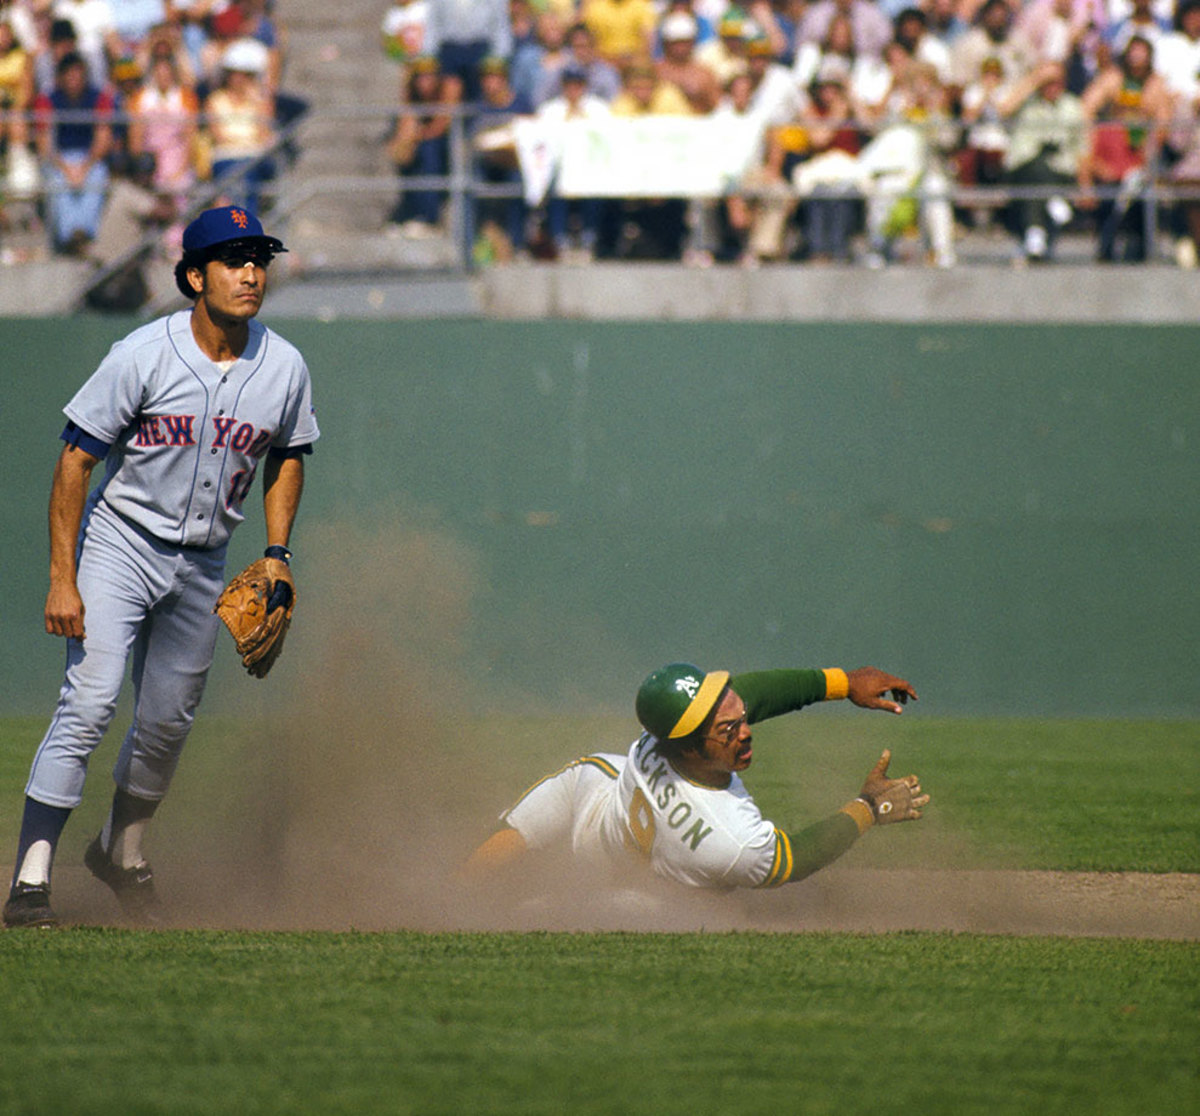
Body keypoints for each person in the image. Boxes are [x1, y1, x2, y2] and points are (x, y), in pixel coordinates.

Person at [2, 204, 319, 930]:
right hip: (121, 546)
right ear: (192, 276)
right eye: (234, 260)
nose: (250, 274)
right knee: (89, 701)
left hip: (205, 562)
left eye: (258, 259)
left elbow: (289, 454)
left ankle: (121, 850)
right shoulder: (141, 354)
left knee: (167, 724)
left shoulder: (285, 366)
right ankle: (31, 875)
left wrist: (276, 555)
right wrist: (63, 575)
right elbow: (76, 460)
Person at [464, 662, 927, 891]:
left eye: (739, 715)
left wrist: (844, 682)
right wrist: (869, 808)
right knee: (631, 908)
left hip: (600, 794)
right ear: (685, 745)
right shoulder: (728, 840)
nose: (746, 731)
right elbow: (795, 858)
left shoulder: (675, 734)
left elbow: (754, 696)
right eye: (728, 729)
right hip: (619, 850)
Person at [998, 59, 1088, 261]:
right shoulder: (1025, 104)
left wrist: (1085, 186)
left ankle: (1035, 232)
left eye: (1056, 80)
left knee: (1041, 177)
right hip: (1022, 169)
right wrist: (1035, 79)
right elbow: (1003, 109)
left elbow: (1082, 148)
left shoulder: (1073, 106)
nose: (1052, 85)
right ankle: (1053, 200)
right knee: (1037, 165)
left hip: (1061, 173)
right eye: (1047, 81)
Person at [33, 49, 113, 255]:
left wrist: (84, 168)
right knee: (58, 181)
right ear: (60, 77)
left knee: (97, 177)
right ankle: (69, 237)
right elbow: (44, 144)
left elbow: (103, 139)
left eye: (78, 73)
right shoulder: (48, 100)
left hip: (90, 159)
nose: (74, 78)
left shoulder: (99, 98)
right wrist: (66, 168)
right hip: (60, 159)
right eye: (69, 73)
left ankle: (84, 234)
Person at [385, 54, 462, 235]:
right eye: (420, 77)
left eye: (428, 76)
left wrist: (416, 136)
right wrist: (405, 141)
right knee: (406, 159)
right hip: (421, 141)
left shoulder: (449, 87)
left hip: (445, 145)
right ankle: (410, 212)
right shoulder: (411, 94)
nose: (424, 82)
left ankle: (429, 218)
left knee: (429, 152)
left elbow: (441, 124)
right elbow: (406, 121)